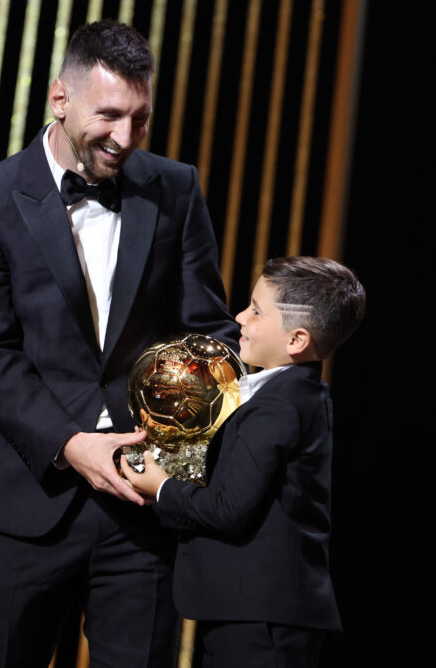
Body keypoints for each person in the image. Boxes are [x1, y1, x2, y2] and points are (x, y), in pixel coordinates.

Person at [0, 20, 237, 667]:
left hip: (143, 509)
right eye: (109, 115)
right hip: (27, 506)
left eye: (141, 119)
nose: (125, 138)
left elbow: (208, 331)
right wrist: (74, 446)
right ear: (59, 98)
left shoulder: (175, 187)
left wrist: (175, 456)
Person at [121, 256, 365, 668]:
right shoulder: (296, 396)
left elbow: (228, 509)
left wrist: (160, 486)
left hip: (262, 617)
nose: (239, 317)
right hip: (259, 611)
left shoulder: (278, 407)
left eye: (255, 310)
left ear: (296, 340)